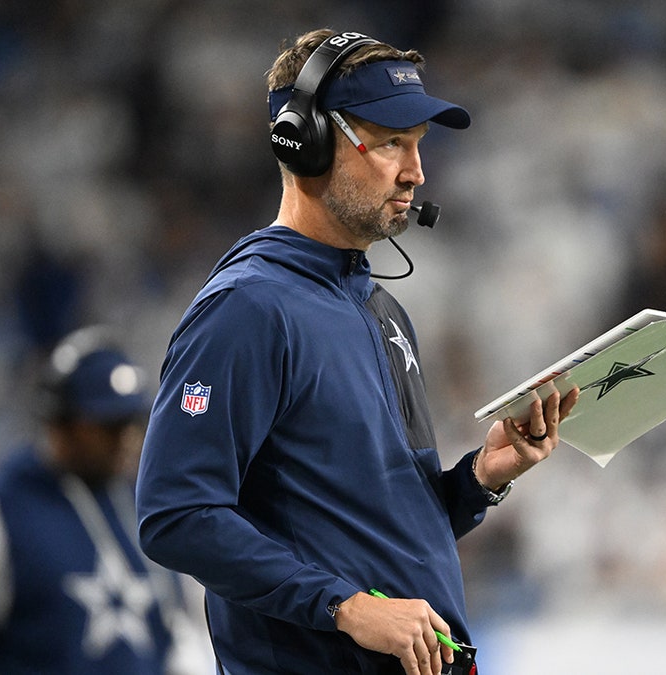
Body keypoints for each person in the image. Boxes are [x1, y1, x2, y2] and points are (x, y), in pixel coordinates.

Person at [135, 28, 578, 675]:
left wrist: (478, 479)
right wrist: (344, 604)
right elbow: (174, 513)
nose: (416, 170)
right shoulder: (248, 307)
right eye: (392, 141)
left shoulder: (381, 308)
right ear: (305, 142)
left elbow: (369, 529)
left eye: (419, 144)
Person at [0, 327, 204, 675]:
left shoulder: (143, 506)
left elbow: (174, 635)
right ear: (61, 423)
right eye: (110, 425)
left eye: (133, 422)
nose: (129, 439)